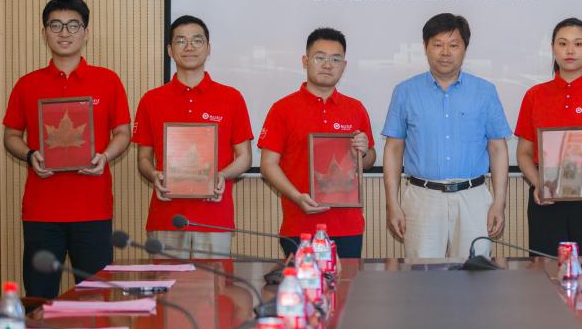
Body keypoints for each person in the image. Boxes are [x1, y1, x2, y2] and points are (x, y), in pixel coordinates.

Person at [2, 0, 131, 298]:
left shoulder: (107, 80)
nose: (64, 32)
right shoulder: (27, 84)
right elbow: (11, 136)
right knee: (39, 297)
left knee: (96, 298)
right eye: (55, 25)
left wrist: (105, 156)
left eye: (73, 25)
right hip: (42, 211)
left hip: (93, 208)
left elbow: (123, 133)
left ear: (86, 32)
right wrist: (30, 155)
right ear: (44, 32)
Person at [382, 13, 512, 260]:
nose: (445, 53)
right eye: (437, 44)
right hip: (422, 198)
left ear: (464, 48)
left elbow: (498, 148)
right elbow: (393, 149)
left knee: (475, 273)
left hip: (473, 198)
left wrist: (499, 202)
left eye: (453, 45)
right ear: (426, 47)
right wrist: (392, 203)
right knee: (422, 275)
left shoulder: (485, 91)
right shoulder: (405, 91)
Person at [132, 15, 253, 259]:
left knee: (214, 282)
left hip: (214, 217)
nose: (189, 47)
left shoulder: (231, 98)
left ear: (208, 48)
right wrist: (154, 175)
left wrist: (222, 175)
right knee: (165, 283)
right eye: (181, 41)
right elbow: (143, 158)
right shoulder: (151, 100)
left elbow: (245, 157)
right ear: (170, 50)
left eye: (197, 40)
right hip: (166, 216)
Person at [259, 28, 376, 258]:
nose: (328, 65)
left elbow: (370, 160)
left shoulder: (355, 108)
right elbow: (268, 165)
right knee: (303, 282)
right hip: (300, 223)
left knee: (345, 281)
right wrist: (296, 197)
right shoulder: (282, 109)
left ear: (344, 65)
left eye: (336, 59)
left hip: (347, 226)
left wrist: (363, 152)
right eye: (320, 57)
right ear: (305, 61)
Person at [514, 18, 582, 257]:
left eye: (578, 44)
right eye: (563, 44)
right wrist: (538, 183)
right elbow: (523, 153)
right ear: (553, 48)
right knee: (545, 268)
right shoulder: (535, 95)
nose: (570, 50)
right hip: (547, 191)